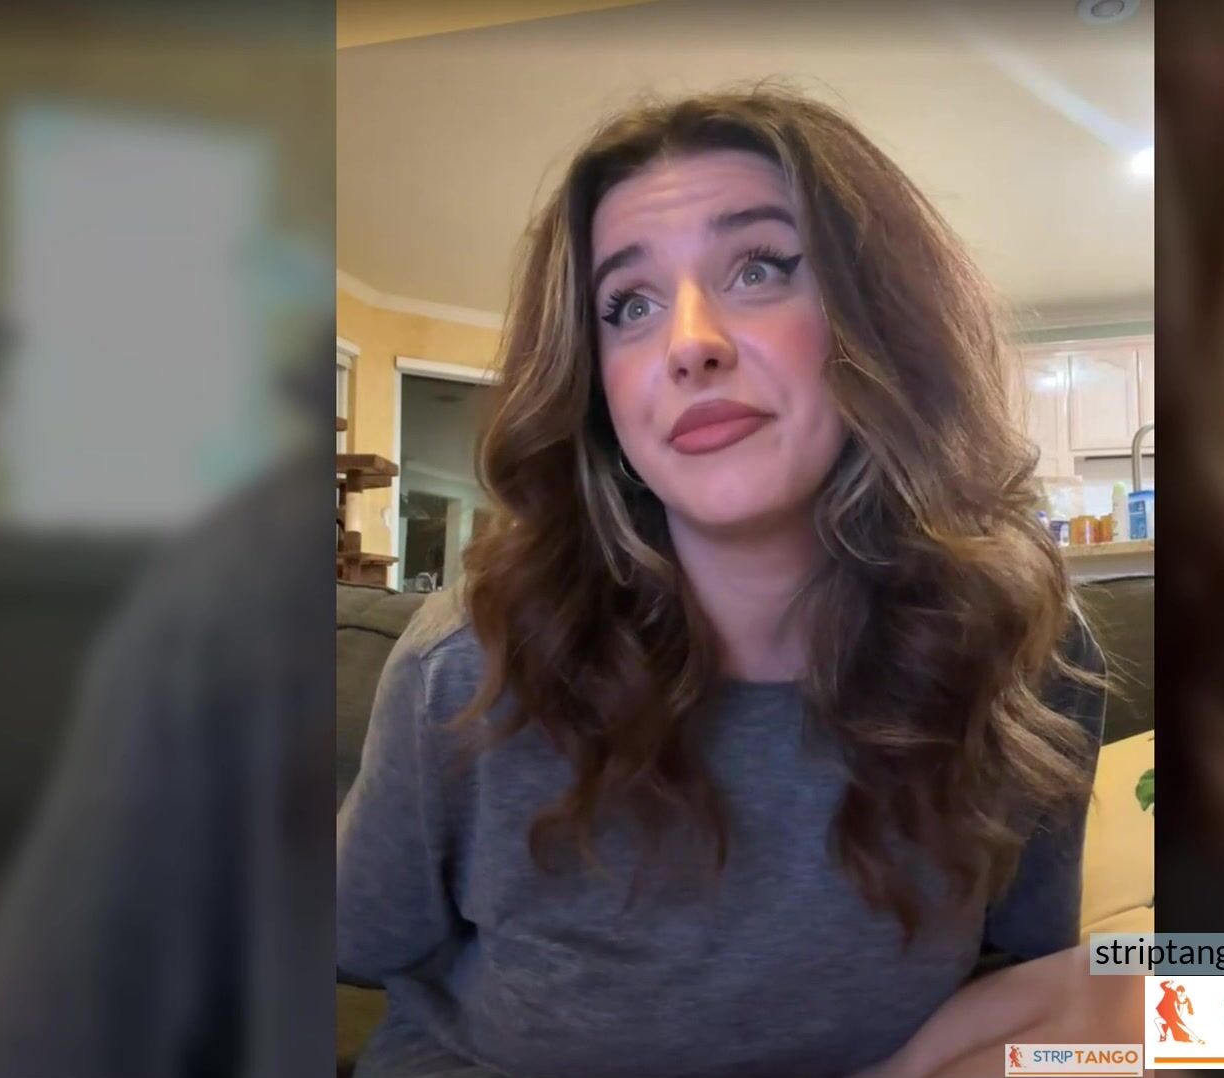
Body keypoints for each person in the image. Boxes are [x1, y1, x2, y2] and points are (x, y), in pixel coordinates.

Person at [337, 89, 1106, 1078]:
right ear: (598, 390)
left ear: (879, 319)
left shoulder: (1029, 653)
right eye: (630, 305)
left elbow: (1043, 980)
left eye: (759, 268)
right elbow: (353, 947)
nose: (689, 342)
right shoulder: (465, 668)